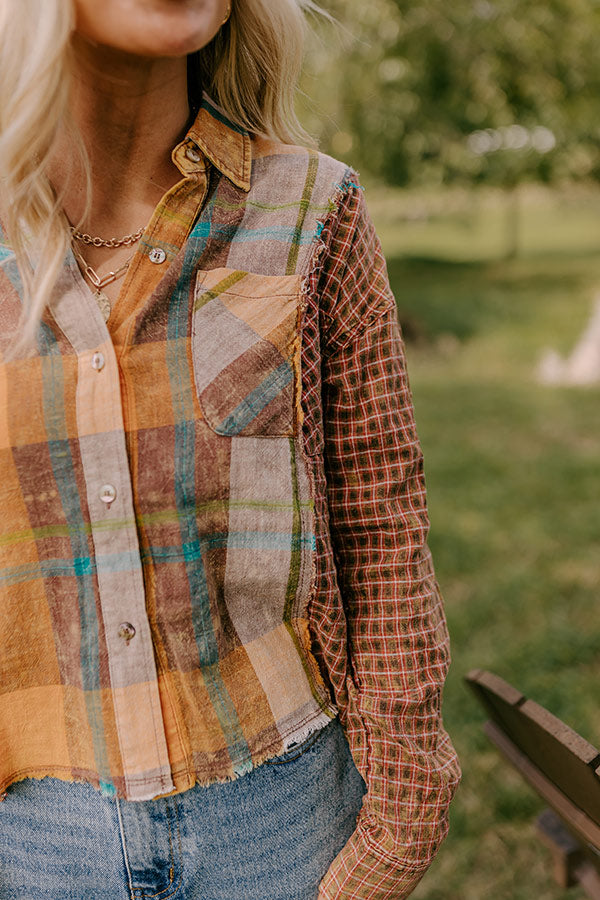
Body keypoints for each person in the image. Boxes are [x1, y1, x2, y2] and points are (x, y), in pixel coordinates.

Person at [0, 1, 460, 898]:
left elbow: (384, 533)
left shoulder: (313, 211)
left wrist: (400, 820)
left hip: (283, 825)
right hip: (29, 841)